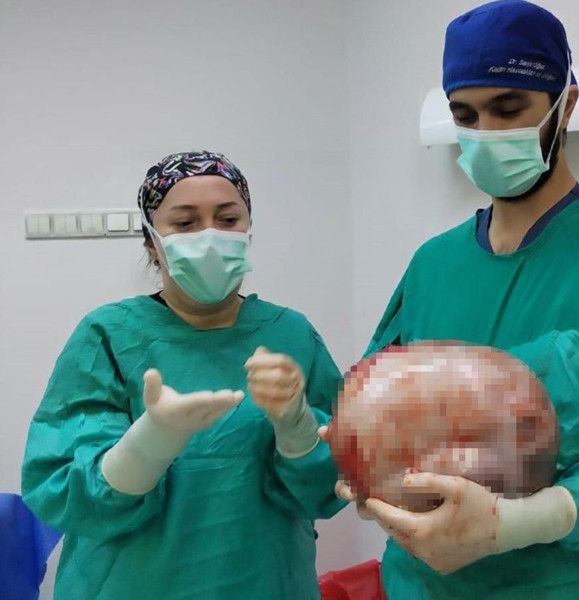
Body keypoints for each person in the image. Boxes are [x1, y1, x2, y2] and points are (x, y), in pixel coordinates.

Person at [335, 0, 579, 599]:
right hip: (421, 585)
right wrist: (356, 462)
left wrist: (524, 521)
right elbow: (374, 408)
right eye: (465, 115)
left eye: (509, 108)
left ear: (565, 105)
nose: (486, 133)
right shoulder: (432, 265)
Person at [21, 150, 344, 599]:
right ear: (151, 241)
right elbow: (63, 490)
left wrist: (298, 427)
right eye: (185, 223)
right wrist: (151, 441)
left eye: (227, 219)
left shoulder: (291, 334)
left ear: (248, 229)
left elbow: (332, 487)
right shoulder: (108, 336)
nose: (210, 236)